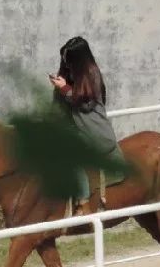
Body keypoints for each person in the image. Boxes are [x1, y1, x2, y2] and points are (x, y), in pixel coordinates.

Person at [48, 35, 123, 215]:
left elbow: (85, 104)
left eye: (69, 60)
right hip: (77, 128)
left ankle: (83, 201)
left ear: (79, 60)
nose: (65, 63)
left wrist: (64, 89)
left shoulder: (92, 75)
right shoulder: (72, 73)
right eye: (64, 59)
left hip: (94, 132)